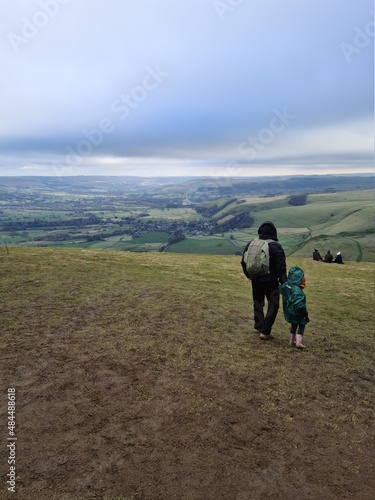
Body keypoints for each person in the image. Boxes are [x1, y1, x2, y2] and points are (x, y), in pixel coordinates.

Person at [241, 221, 287, 340]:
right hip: (270, 280)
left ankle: (258, 326)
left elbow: (244, 260)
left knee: (258, 302)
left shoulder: (252, 243)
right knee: (273, 305)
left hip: (255, 278)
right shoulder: (275, 246)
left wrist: (248, 275)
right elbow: (281, 266)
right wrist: (284, 282)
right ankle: (265, 332)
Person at [279, 266, 309, 349]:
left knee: (294, 324)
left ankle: (291, 341)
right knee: (301, 324)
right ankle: (299, 342)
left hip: (289, 311)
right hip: (298, 312)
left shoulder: (287, 285)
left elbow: (280, 289)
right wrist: (305, 314)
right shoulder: (298, 291)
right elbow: (299, 304)